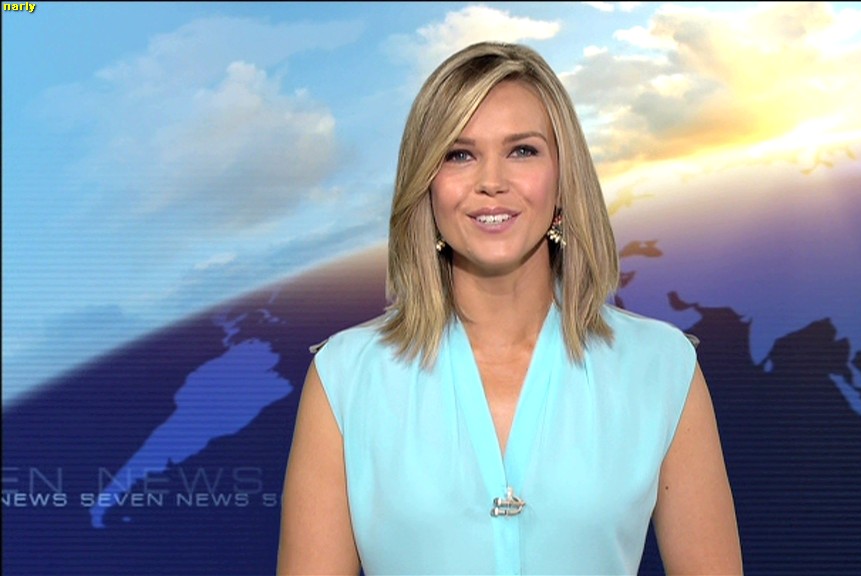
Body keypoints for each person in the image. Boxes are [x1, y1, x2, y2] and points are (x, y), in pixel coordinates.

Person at [277, 41, 742, 575]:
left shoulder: (660, 367)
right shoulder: (346, 377)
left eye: (522, 150)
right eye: (459, 154)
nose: (491, 182)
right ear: (427, 184)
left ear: (563, 178)